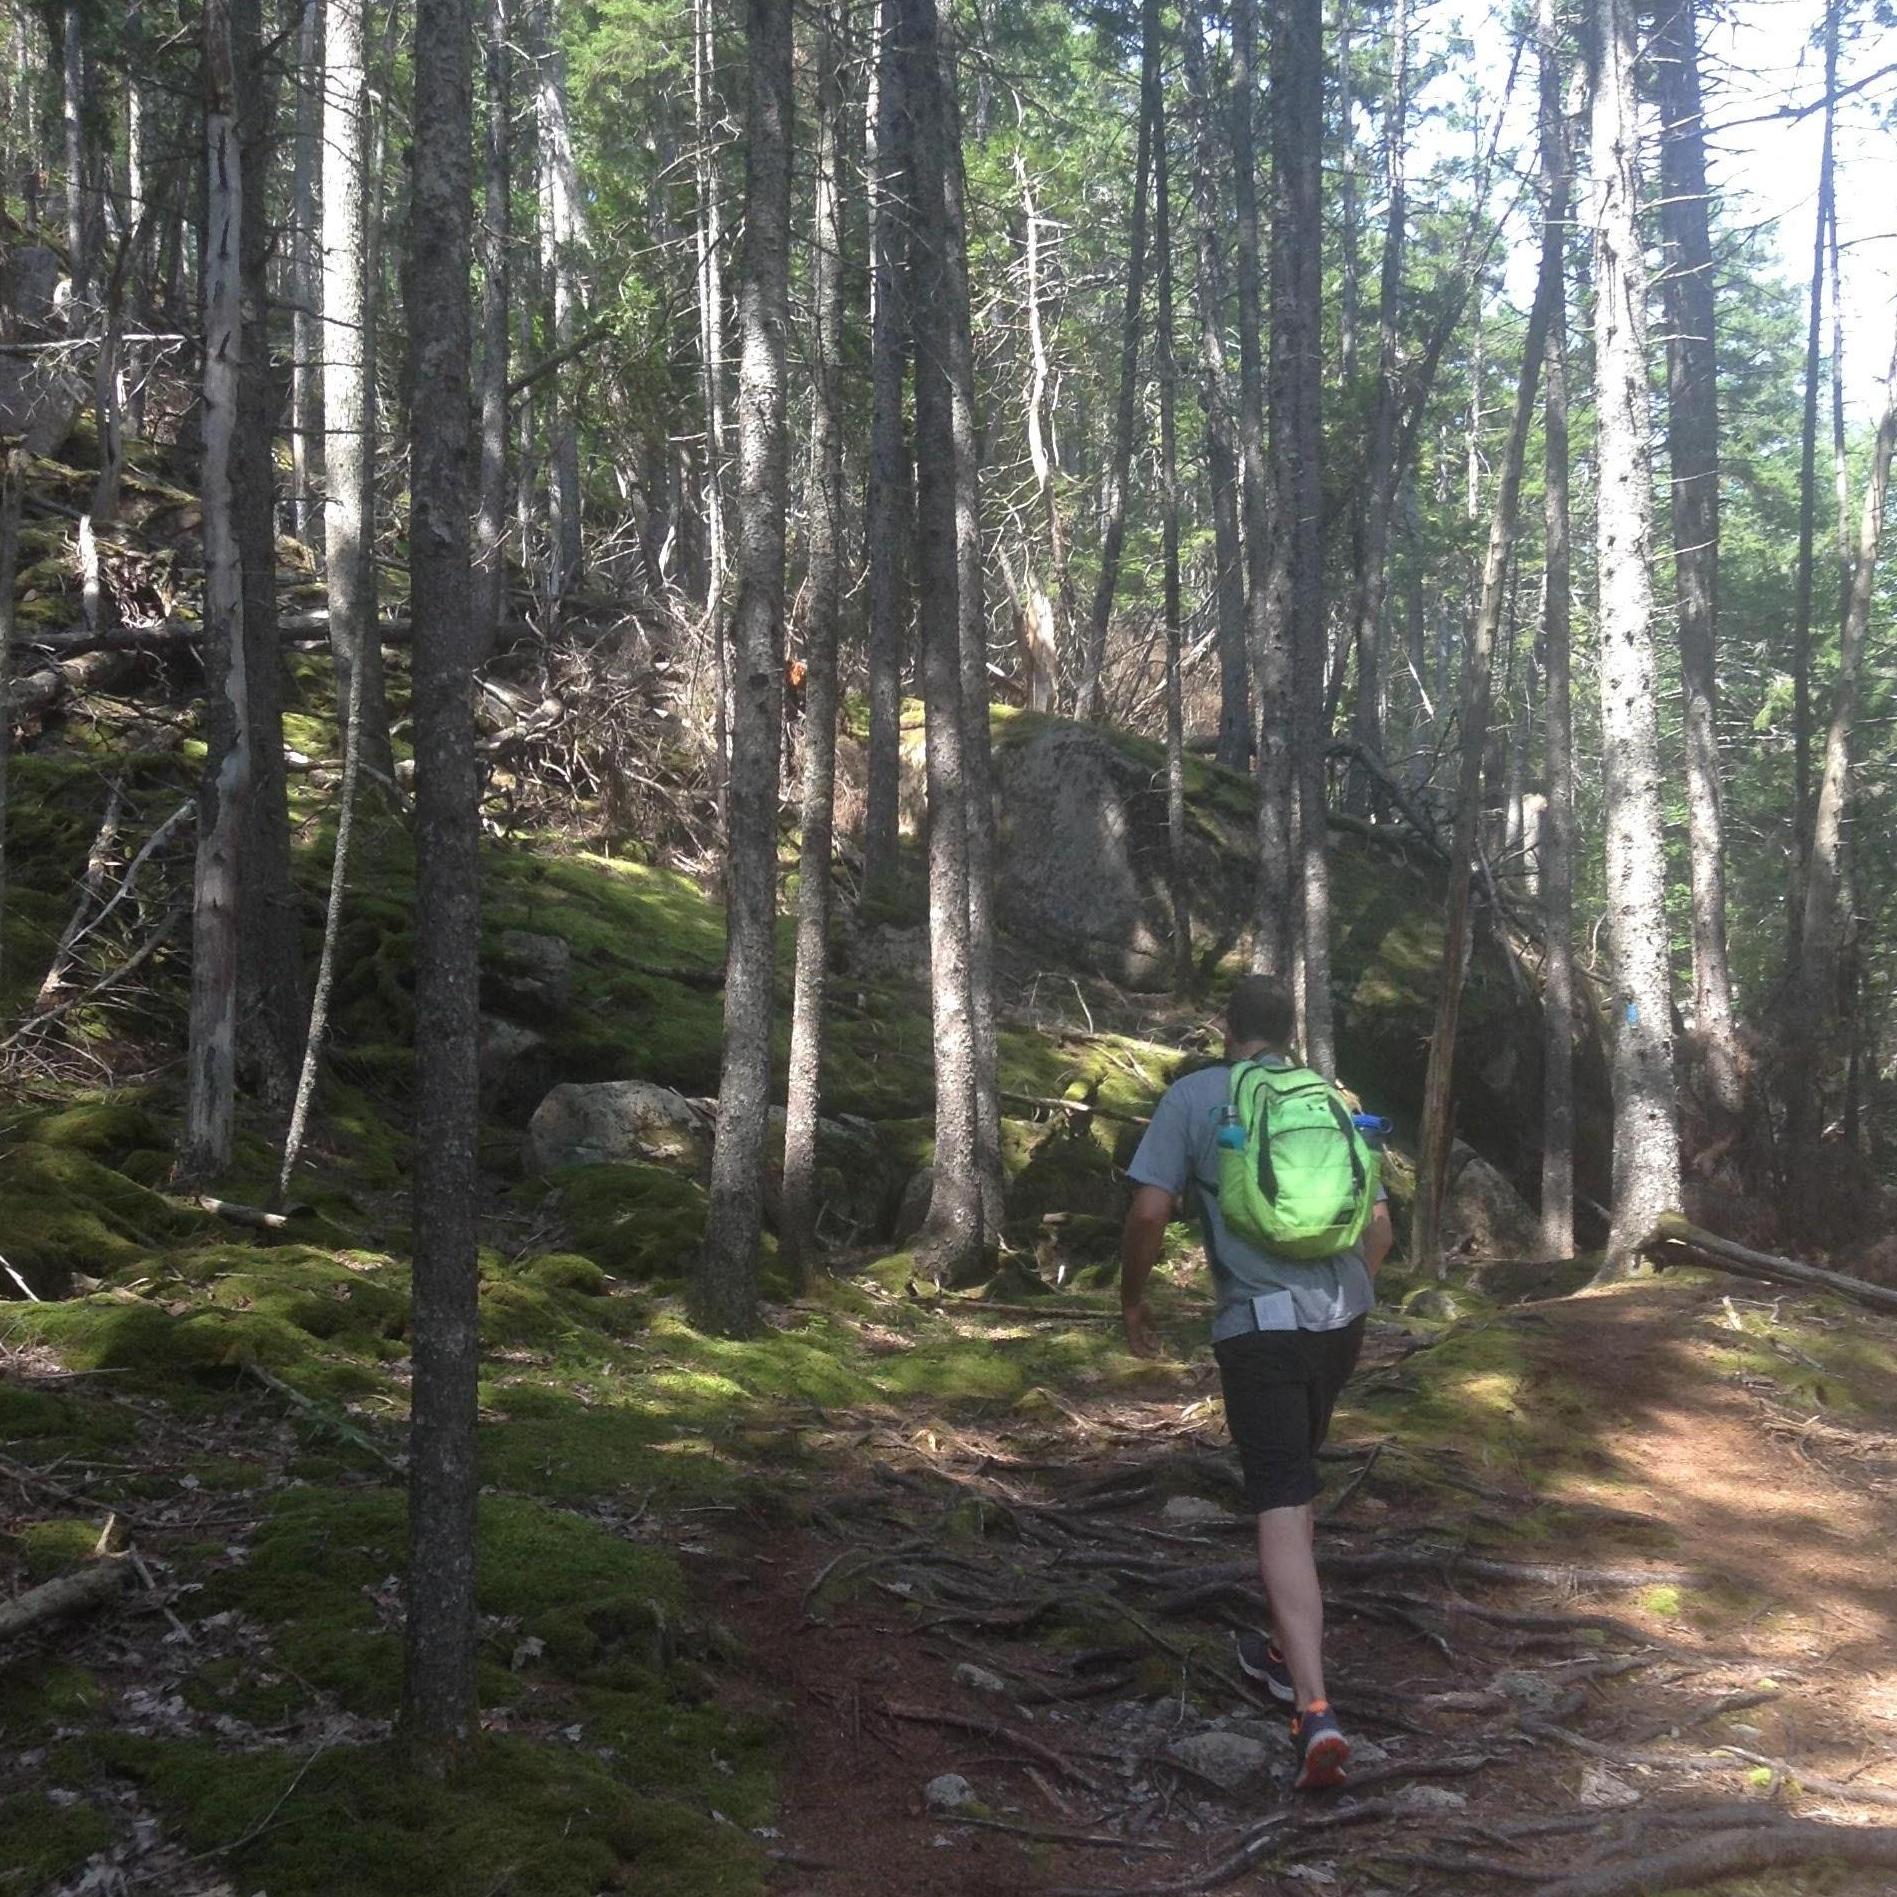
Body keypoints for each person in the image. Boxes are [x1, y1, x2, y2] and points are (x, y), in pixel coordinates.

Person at [1118, 974, 1392, 1792]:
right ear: (1285, 1029)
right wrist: (1351, 1302)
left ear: (1224, 1025)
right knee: (1297, 1480)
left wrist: (1133, 1299)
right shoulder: (1329, 1099)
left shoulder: (1197, 1097)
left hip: (1261, 1329)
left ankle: (1312, 1707)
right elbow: (1377, 1225)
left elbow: (1145, 1212)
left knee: (1276, 1494)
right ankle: (1281, 1649)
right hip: (1338, 1321)